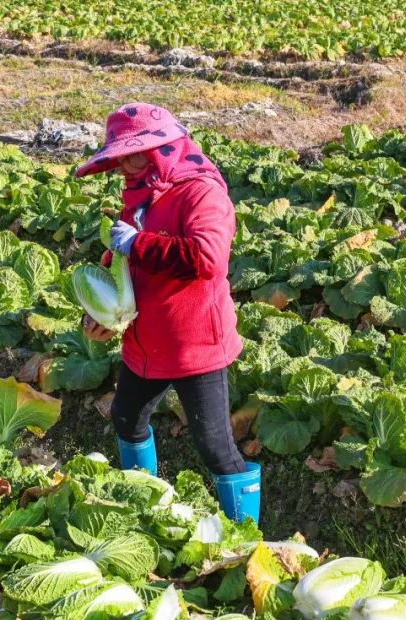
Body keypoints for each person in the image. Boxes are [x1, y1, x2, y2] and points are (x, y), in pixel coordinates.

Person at [76, 102, 262, 524]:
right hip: (146, 340)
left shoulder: (200, 192)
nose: (123, 164)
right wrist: (102, 315)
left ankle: (246, 536)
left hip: (194, 344)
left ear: (162, 148)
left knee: (215, 447)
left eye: (132, 153)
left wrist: (137, 244)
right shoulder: (141, 191)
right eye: (118, 156)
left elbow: (207, 258)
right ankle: (141, 508)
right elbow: (123, 264)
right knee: (126, 416)